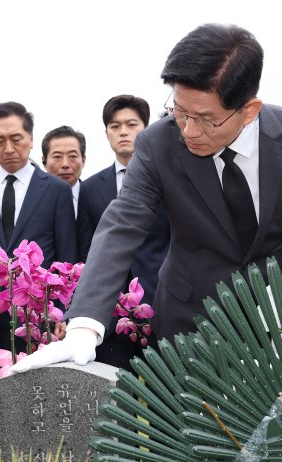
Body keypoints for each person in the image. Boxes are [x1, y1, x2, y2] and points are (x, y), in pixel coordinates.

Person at [14, 23, 282, 372]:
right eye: (180, 111)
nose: (188, 131)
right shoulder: (159, 143)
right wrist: (84, 326)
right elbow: (122, 223)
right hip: (190, 326)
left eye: (205, 119)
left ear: (250, 110)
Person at [0, 102, 77, 380]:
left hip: (37, 316)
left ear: (31, 139)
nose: (9, 148)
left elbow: (67, 258)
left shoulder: (56, 190)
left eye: (16, 139)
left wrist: (64, 315)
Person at [76, 95, 170, 370]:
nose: (123, 132)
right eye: (115, 126)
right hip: (110, 309)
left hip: (160, 299)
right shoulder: (91, 187)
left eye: (131, 124)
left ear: (146, 128)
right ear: (106, 133)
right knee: (112, 392)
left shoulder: (167, 180)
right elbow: (87, 249)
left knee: (165, 393)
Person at [41, 126, 86, 217]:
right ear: (44, 161)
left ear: (83, 160)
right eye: (57, 157)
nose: (65, 164)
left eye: (72, 156)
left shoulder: (95, 197)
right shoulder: (33, 199)